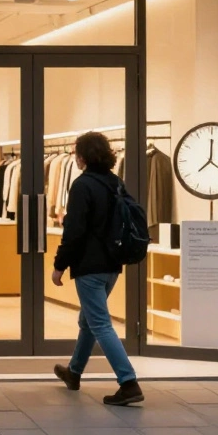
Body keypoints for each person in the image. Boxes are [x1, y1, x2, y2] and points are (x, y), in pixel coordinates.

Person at [50, 132, 144, 406]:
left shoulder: (82, 186)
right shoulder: (115, 182)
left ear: (83, 157)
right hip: (112, 264)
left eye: (77, 153)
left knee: (100, 323)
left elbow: (74, 232)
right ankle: (74, 372)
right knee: (88, 320)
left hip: (89, 266)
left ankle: (128, 383)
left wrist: (59, 265)